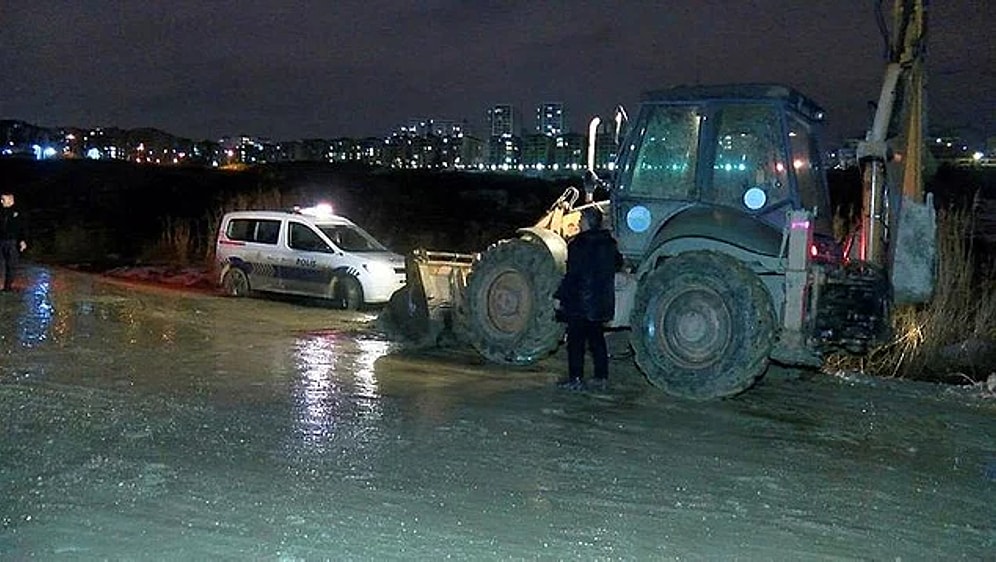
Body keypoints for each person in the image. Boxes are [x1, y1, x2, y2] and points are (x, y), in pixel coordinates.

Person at [554, 206, 622, 391]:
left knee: (575, 343)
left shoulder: (578, 245)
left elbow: (573, 275)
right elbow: (617, 264)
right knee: (597, 341)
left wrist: (560, 296)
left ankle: (575, 378)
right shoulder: (609, 244)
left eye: (580, 220)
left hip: (580, 302)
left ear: (586, 222)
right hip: (600, 301)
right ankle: (601, 377)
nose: (578, 223)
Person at [0, 191, 28, 292]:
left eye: (3, 199)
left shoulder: (18, 211)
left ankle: (7, 287)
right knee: (2, 264)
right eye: (1, 199)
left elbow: (23, 227)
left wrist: (23, 240)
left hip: (12, 241)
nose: (1, 201)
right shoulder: (2, 211)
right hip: (1, 240)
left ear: (11, 199)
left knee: (11, 265)